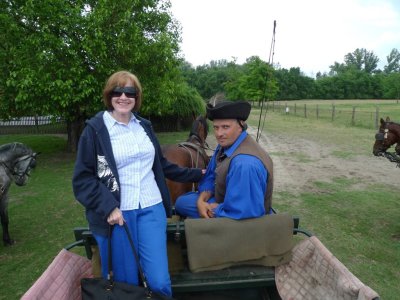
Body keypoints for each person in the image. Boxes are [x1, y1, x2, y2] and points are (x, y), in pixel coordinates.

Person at [72, 70, 203, 297]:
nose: (123, 97)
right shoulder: (95, 131)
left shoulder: (144, 126)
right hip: (118, 215)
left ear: (137, 96)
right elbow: (83, 179)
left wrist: (197, 173)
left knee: (159, 280)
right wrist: (108, 207)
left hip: (151, 209)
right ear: (109, 94)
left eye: (129, 91)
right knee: (127, 284)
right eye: (117, 91)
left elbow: (161, 166)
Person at [175, 100, 273, 219]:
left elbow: (244, 213)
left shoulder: (244, 164)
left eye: (225, 127)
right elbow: (210, 175)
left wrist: (215, 209)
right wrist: (201, 201)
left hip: (241, 218)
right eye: (216, 128)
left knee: (184, 204)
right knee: (182, 202)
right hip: (222, 199)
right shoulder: (224, 146)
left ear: (241, 125)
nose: (219, 134)